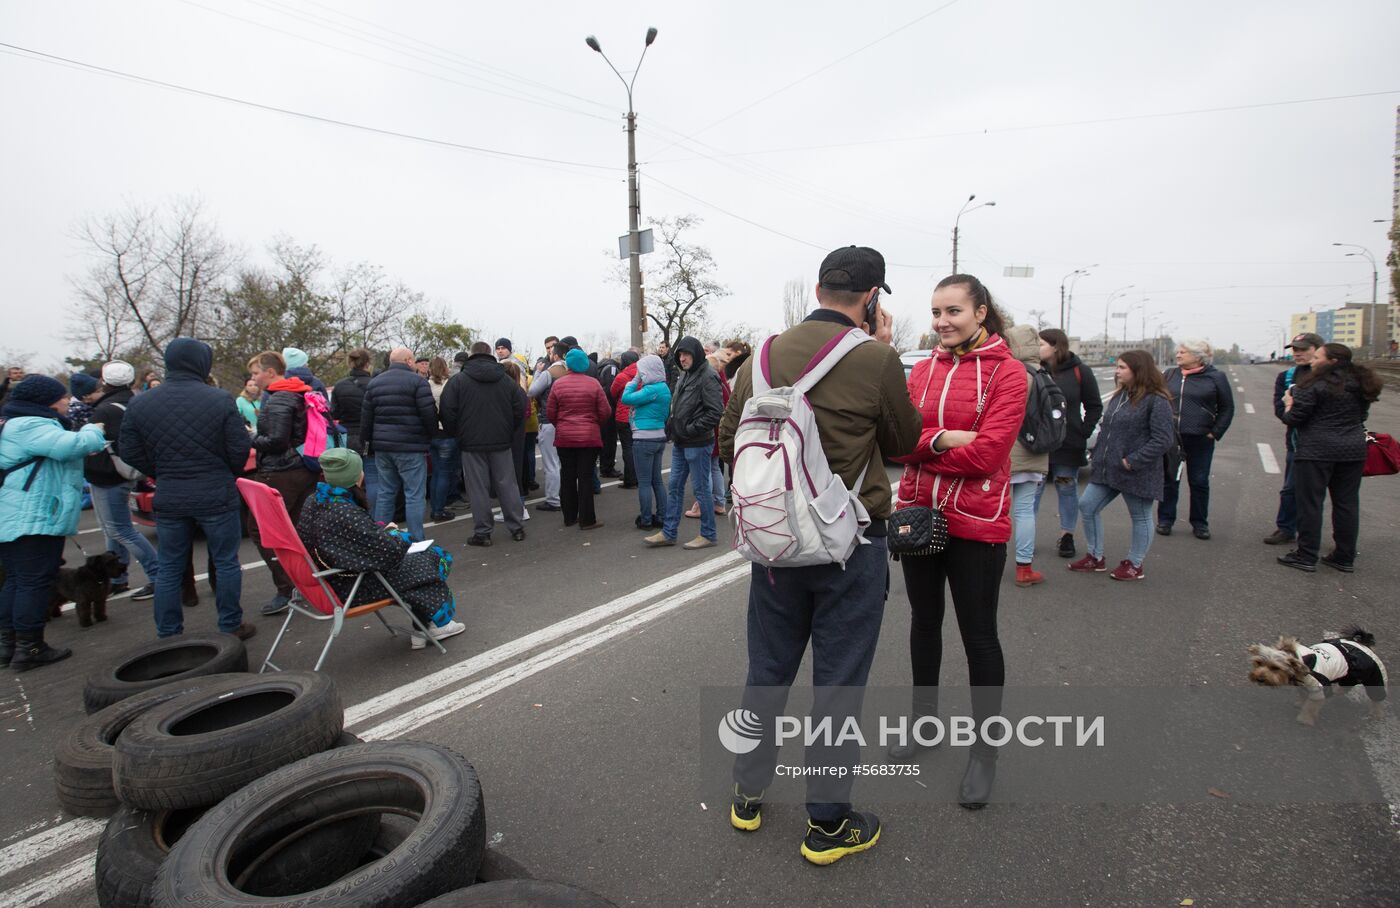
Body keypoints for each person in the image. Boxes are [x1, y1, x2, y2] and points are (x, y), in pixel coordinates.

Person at [721, 245, 921, 865]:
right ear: (872, 298)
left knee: (768, 668)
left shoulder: (762, 353)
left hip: (776, 546)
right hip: (849, 544)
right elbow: (904, 441)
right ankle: (829, 825)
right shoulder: (877, 358)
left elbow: (730, 438)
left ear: (817, 287)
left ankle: (748, 793)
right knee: (838, 684)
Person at [886, 273, 1026, 812]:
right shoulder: (921, 370)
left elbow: (989, 456)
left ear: (981, 312)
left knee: (979, 638)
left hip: (976, 522)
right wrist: (942, 438)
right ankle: (925, 726)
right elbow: (897, 440)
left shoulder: (1009, 375)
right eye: (936, 312)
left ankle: (984, 755)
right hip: (920, 517)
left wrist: (922, 448)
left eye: (954, 311)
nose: (942, 322)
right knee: (924, 623)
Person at [119, 338, 255, 640]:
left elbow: (127, 449)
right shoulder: (219, 399)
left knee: (169, 566)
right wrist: (224, 471)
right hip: (215, 492)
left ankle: (168, 633)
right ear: (201, 363)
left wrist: (160, 469)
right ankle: (230, 624)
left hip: (170, 493)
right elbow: (239, 447)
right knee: (226, 561)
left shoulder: (141, 402)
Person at [298, 449, 464, 648]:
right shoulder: (344, 512)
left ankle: (423, 627)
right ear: (354, 476)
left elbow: (357, 544)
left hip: (331, 580)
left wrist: (379, 533)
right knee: (432, 557)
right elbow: (390, 553)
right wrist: (394, 533)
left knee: (418, 561)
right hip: (352, 586)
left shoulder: (316, 500)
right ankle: (430, 626)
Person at [0, 375, 109, 670]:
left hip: (17, 515)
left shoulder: (13, 422)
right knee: (33, 582)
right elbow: (70, 447)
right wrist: (92, 429)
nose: (66, 401)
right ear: (45, 401)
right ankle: (30, 648)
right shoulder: (30, 425)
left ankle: (8, 645)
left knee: (17, 581)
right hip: (33, 517)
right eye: (61, 397)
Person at [1069, 350, 1175, 582]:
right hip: (1108, 468)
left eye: (1122, 367)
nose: (1117, 371)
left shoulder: (1156, 400)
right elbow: (1108, 430)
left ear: (1139, 370)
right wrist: (1098, 454)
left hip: (1136, 471)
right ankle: (1095, 557)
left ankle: (1135, 564)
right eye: (1117, 367)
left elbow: (1163, 439)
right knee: (1087, 506)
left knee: (1140, 516)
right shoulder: (1121, 396)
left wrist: (1133, 460)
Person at [1277, 343, 1382, 573]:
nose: (1312, 361)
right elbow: (1362, 415)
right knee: (1347, 503)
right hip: (1353, 450)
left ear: (1332, 361)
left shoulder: (1312, 384)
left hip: (1316, 451)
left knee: (1310, 504)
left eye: (1316, 357)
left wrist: (1287, 404)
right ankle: (1344, 557)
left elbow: (1294, 418)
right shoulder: (1361, 383)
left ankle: (1306, 555)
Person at [84, 360, 159, 601]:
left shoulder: (104, 410)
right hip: (126, 472)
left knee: (121, 530)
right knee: (113, 529)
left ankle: (159, 576)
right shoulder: (138, 402)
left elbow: (94, 444)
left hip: (108, 475)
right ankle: (117, 577)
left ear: (104, 382)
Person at [440, 342, 528, 545]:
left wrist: (457, 433)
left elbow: (447, 410)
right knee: (507, 484)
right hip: (501, 440)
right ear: (490, 354)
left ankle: (483, 532)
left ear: (471, 355)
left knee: (477, 488)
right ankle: (516, 527)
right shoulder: (505, 380)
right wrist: (509, 430)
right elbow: (519, 406)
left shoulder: (458, 381)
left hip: (471, 442)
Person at [645, 336, 724, 550]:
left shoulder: (708, 376)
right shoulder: (686, 374)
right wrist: (672, 426)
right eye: (680, 355)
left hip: (698, 442)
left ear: (696, 354)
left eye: (686, 354)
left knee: (700, 490)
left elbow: (715, 412)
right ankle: (669, 532)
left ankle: (708, 534)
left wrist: (689, 429)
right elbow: (678, 405)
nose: (682, 358)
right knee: (675, 487)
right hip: (681, 442)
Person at [1034, 329, 1102, 559]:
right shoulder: (1035, 370)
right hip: (1038, 445)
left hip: (1068, 444)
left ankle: (1067, 536)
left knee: (1066, 487)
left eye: (1041, 343)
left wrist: (1083, 432)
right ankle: (1027, 538)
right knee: (1033, 491)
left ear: (1056, 346)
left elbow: (1094, 406)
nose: (1037, 347)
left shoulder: (1079, 371)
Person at [1158, 339, 1234, 540]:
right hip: (1172, 438)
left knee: (1199, 481)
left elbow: (1227, 408)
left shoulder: (1215, 377)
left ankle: (1199, 523)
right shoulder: (1170, 374)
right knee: (1169, 479)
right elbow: (1158, 400)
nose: (1179, 355)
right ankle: (1165, 520)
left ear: (1197, 356)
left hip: (1200, 438)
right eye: (1179, 351)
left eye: (1184, 352)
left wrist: (1215, 432)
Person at [362, 347, 437, 542]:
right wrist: (431, 437)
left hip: (383, 447)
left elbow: (367, 418)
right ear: (409, 361)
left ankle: (381, 538)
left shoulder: (375, 383)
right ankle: (416, 539)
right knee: (414, 494)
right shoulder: (418, 382)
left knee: (386, 492)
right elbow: (429, 415)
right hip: (410, 446)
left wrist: (368, 443)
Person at [1264, 333, 1323, 545]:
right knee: (1291, 488)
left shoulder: (1330, 375)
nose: (1297, 353)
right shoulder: (1287, 377)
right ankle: (1286, 528)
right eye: (1294, 349)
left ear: (1318, 349)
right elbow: (1282, 412)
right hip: (1298, 442)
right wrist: (1292, 411)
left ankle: (1333, 541)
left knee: (1332, 496)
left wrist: (1297, 409)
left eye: (1303, 349)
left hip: (1328, 444)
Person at [545, 348, 611, 529]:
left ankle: (569, 517)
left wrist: (562, 425)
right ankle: (587, 520)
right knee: (585, 478)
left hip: (565, 438)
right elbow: (605, 411)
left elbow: (550, 412)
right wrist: (594, 423)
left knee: (567, 476)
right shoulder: (594, 384)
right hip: (589, 438)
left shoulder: (558, 384)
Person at [1005, 325, 1050, 587]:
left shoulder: (1011, 373)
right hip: (1035, 453)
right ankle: (1024, 568)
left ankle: (990, 564)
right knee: (1024, 511)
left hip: (1007, 452)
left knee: (997, 511)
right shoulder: (1044, 375)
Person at [619, 354, 671, 529]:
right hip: (659, 437)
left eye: (641, 371)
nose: (640, 374)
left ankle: (646, 520)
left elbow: (626, 398)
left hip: (643, 439)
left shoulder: (651, 390)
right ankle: (663, 516)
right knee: (657, 480)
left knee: (644, 482)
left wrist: (633, 381)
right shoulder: (664, 388)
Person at [685, 351, 732, 520]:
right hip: (719, 428)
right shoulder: (724, 382)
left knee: (705, 470)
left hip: (708, 430)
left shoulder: (710, 382)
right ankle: (719, 503)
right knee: (714, 468)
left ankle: (702, 504)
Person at [331, 348, 376, 507]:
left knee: (347, 479)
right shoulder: (374, 384)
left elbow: (334, 413)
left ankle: (349, 512)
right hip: (369, 436)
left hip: (346, 436)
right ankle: (372, 514)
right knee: (372, 478)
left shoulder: (339, 386)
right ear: (368, 364)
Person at [527, 340, 569, 512]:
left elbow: (531, 392)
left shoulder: (548, 373)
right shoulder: (571, 371)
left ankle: (553, 499)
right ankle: (564, 495)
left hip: (549, 420)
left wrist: (537, 372)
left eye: (551, 352)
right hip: (566, 420)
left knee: (551, 462)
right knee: (562, 461)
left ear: (555, 355)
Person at [426, 356, 460, 524]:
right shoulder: (450, 385)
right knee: (445, 474)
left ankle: (435, 506)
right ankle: (439, 508)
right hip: (447, 432)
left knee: (436, 472)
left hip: (432, 434)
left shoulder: (426, 386)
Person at [609, 350, 640, 489]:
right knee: (638, 447)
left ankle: (630, 479)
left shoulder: (622, 376)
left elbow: (612, 392)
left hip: (623, 416)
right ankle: (638, 476)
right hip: (639, 415)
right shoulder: (643, 375)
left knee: (627, 448)